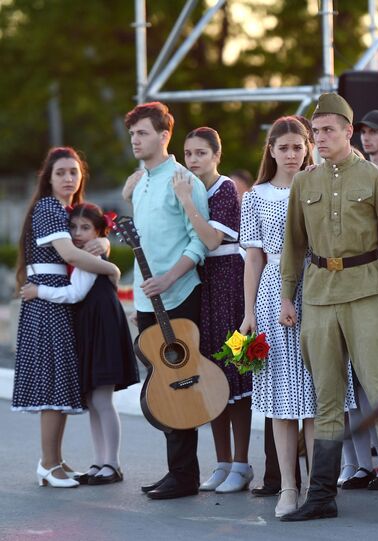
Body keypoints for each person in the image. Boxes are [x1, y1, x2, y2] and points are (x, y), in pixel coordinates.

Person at [279, 93, 378, 525]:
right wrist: (287, 294)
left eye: (328, 131)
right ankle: (321, 497)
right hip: (319, 296)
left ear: (347, 131)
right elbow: (294, 245)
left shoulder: (377, 179)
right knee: (327, 399)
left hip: (368, 294)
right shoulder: (304, 183)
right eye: (315, 132)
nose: (320, 139)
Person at [240, 116, 351, 517]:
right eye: (283, 147)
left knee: (320, 393)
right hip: (273, 295)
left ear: (308, 148)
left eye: (297, 146)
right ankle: (289, 486)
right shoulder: (255, 197)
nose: (291, 153)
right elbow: (253, 258)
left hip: (321, 288)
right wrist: (248, 312)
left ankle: (319, 488)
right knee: (281, 398)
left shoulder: (324, 185)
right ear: (271, 150)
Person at [13, 147, 120, 488]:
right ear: (48, 177)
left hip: (61, 299)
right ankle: (47, 463)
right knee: (50, 384)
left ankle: (56, 461)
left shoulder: (67, 210)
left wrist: (103, 246)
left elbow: (87, 241)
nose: (68, 179)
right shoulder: (47, 207)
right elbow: (70, 253)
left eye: (73, 172)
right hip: (46, 298)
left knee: (59, 383)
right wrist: (112, 267)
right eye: (60, 172)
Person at [123, 101, 209, 500]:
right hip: (145, 301)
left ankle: (185, 476)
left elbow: (200, 243)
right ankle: (177, 472)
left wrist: (169, 277)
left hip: (178, 295)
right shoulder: (139, 182)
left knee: (179, 380)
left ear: (164, 135)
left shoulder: (183, 179)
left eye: (142, 133)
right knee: (160, 381)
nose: (135, 140)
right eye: (133, 134)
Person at [20, 203, 139, 485]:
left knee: (101, 399)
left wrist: (39, 290)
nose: (77, 233)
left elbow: (74, 293)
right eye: (73, 227)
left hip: (102, 329)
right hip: (92, 328)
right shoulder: (85, 256)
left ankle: (112, 463)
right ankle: (100, 461)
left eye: (85, 228)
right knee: (93, 400)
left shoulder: (88, 255)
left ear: (99, 232)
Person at [172, 127, 253, 494]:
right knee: (213, 379)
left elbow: (211, 239)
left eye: (201, 153)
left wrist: (187, 202)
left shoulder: (224, 190)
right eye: (188, 153)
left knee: (237, 374)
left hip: (231, 286)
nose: (194, 160)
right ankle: (221, 463)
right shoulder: (193, 188)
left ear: (216, 155)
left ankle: (242, 463)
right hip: (203, 289)